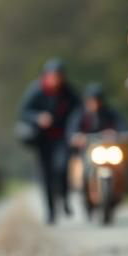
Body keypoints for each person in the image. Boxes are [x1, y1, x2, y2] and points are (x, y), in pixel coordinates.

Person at [18, 58, 81, 224]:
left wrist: (74, 130)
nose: (56, 80)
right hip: (42, 139)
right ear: (46, 76)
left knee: (62, 168)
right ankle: (51, 212)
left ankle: (65, 198)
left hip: (62, 138)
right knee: (46, 176)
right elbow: (23, 112)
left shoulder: (68, 91)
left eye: (59, 76)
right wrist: (38, 118)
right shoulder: (36, 90)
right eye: (53, 76)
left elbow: (79, 110)